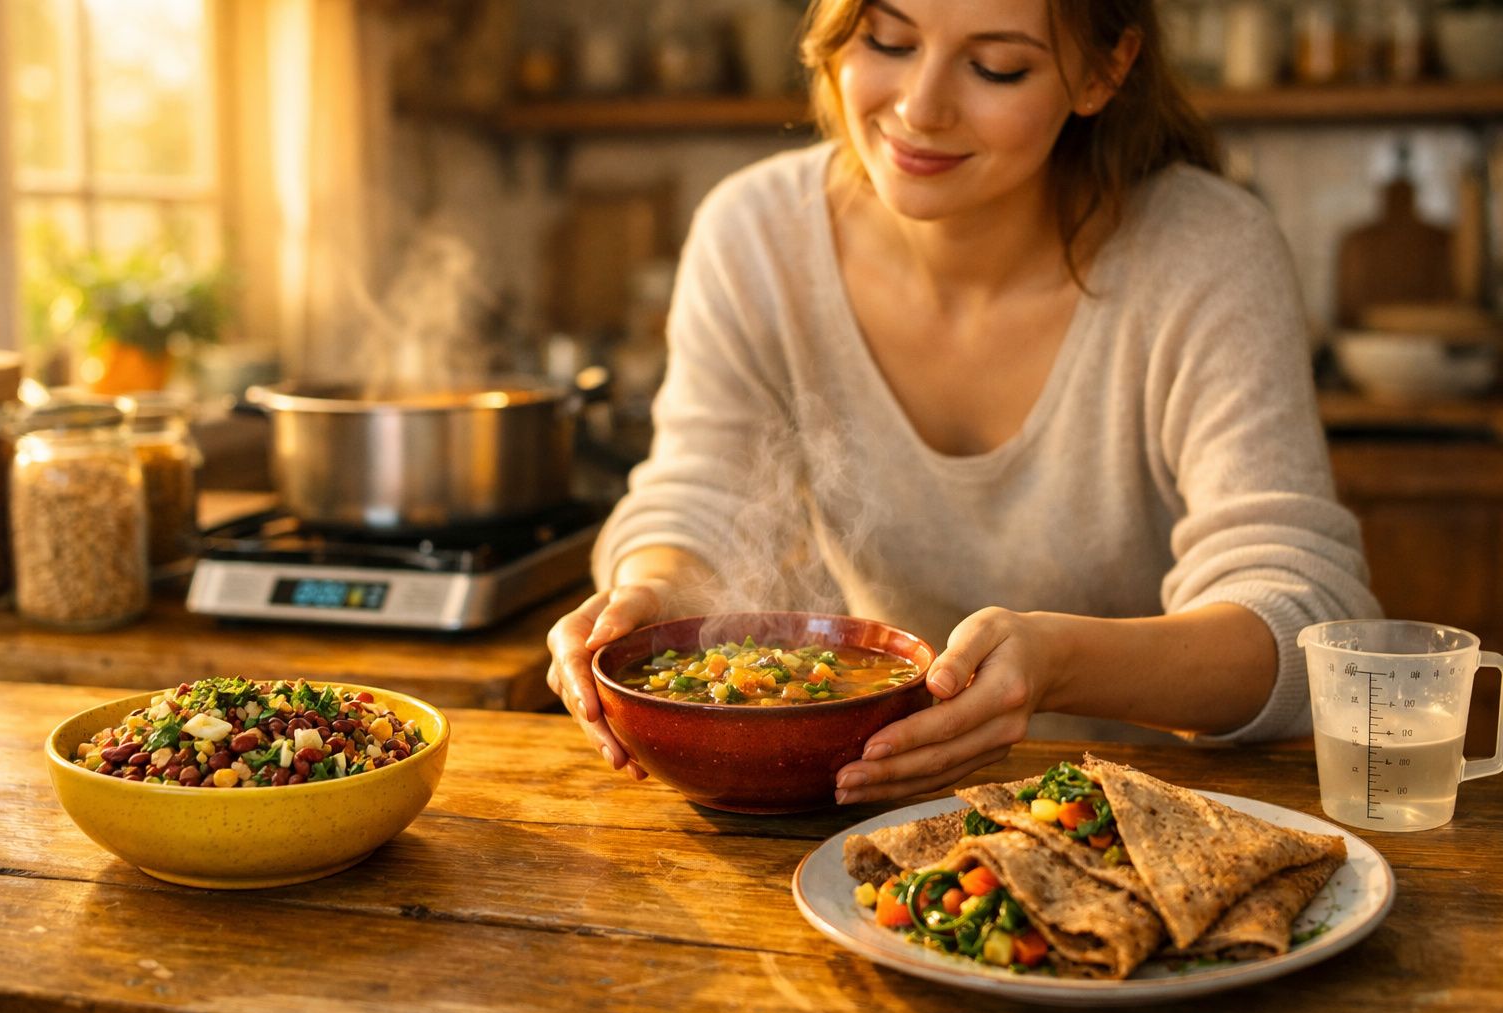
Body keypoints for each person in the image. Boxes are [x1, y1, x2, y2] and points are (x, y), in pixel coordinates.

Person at [545, 0, 1380, 805]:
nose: (919, 107)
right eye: (888, 41)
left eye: (996, 66)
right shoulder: (754, 234)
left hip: (1142, 812)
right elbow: (703, 497)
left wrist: (1056, 664)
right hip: (849, 809)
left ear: (1103, 70)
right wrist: (652, 594)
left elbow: (1309, 628)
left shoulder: (1206, 253)